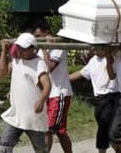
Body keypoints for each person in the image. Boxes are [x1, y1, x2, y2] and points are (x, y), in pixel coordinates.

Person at [0, 33, 52, 153]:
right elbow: (2, 74)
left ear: (33, 48)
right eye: (19, 47)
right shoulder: (16, 61)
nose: (21, 50)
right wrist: (3, 52)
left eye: (24, 48)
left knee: (40, 149)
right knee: (5, 146)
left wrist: (41, 100)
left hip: (33, 116)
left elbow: (47, 85)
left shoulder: (39, 63)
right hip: (17, 114)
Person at [69, 45, 118, 153]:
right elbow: (81, 73)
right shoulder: (92, 61)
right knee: (106, 131)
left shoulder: (112, 59)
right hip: (99, 101)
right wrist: (64, 79)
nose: (95, 50)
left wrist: (109, 54)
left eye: (98, 48)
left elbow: (112, 73)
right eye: (94, 48)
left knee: (105, 130)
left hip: (110, 98)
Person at [34, 23, 74, 153]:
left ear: (47, 32)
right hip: (47, 94)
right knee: (56, 130)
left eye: (39, 36)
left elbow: (50, 66)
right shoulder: (39, 50)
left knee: (50, 129)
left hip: (59, 93)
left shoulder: (58, 46)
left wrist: (46, 48)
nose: (38, 39)